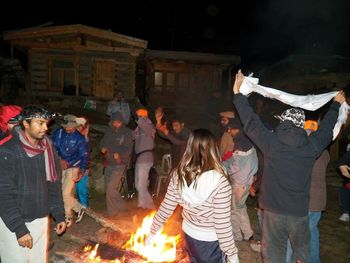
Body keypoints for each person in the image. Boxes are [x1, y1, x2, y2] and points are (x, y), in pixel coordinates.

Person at [232, 69, 345, 262]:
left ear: (283, 122)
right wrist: (336, 105)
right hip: (299, 213)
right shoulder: (311, 146)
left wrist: (238, 95)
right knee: (301, 255)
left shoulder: (271, 143)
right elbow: (326, 130)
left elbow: (250, 122)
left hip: (273, 212)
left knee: (274, 254)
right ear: (301, 126)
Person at [148, 129, 239, 263]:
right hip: (210, 243)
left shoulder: (177, 175)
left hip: (188, 237)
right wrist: (232, 254)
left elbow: (166, 207)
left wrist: (152, 232)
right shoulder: (220, 181)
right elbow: (222, 224)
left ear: (189, 147)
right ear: (213, 149)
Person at [0, 105, 66, 263]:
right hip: (15, 222)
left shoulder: (48, 148)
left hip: (41, 220)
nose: (45, 127)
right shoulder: (7, 150)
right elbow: (3, 193)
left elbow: (53, 185)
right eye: (40, 123)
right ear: (25, 124)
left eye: (46, 123)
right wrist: (19, 229)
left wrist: (58, 214)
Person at [286, 120, 331, 263]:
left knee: (296, 235)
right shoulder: (324, 151)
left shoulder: (305, 149)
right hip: (319, 200)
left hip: (306, 200)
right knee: (312, 232)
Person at [222, 117, 258, 241]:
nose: (228, 132)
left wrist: (221, 166)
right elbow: (253, 163)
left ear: (236, 129)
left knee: (233, 210)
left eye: (230, 129)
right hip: (246, 183)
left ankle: (236, 236)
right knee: (241, 208)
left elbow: (234, 166)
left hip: (239, 184)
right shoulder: (248, 142)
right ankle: (248, 234)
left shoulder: (241, 145)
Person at [52, 114, 88, 226]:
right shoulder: (58, 133)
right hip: (60, 165)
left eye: (71, 127)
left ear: (75, 126)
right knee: (60, 192)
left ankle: (68, 217)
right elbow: (52, 148)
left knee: (66, 193)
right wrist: (60, 159)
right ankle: (78, 208)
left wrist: (81, 170)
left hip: (74, 166)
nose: (68, 129)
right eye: (67, 127)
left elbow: (84, 155)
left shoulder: (79, 138)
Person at [99, 112, 133, 215]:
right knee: (108, 188)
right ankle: (123, 207)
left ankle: (112, 214)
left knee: (111, 187)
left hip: (120, 163)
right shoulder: (109, 131)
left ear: (122, 122)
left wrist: (120, 155)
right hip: (109, 162)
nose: (116, 124)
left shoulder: (127, 133)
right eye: (114, 122)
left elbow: (128, 149)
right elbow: (102, 143)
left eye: (118, 122)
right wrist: (103, 148)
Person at [133, 108, 156, 209]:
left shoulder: (149, 126)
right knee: (138, 184)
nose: (138, 117)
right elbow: (132, 136)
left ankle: (142, 206)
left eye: (139, 115)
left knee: (141, 183)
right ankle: (150, 206)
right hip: (140, 158)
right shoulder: (139, 128)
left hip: (146, 158)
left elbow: (142, 124)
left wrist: (138, 119)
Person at [75, 116, 90, 211]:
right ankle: (80, 206)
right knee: (76, 188)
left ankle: (85, 207)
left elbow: (87, 151)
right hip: (72, 166)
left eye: (81, 126)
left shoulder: (86, 139)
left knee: (81, 188)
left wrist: (85, 136)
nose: (79, 128)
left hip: (83, 167)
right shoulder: (71, 136)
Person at [338, 148, 350, 222]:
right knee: (344, 191)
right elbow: (343, 169)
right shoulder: (348, 154)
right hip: (348, 184)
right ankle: (345, 212)